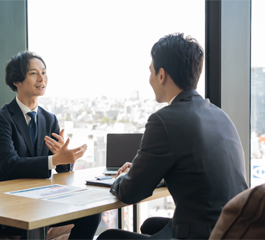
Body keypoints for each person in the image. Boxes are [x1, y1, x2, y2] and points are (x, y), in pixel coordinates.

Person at [97, 33, 248, 240]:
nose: (149, 78)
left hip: (202, 235)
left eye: (151, 71)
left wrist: (123, 178)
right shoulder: (218, 113)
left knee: (109, 238)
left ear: (162, 75)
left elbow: (131, 193)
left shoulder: (164, 120)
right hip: (232, 230)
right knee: (150, 225)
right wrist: (143, 172)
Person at [0, 51, 101, 240]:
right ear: (17, 81)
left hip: (40, 197)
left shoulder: (49, 119)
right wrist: (53, 159)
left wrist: (64, 158)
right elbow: (10, 165)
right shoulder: (1, 119)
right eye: (33, 73)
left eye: (44, 72)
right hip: (6, 200)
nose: (42, 78)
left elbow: (62, 170)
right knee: (38, 219)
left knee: (91, 212)